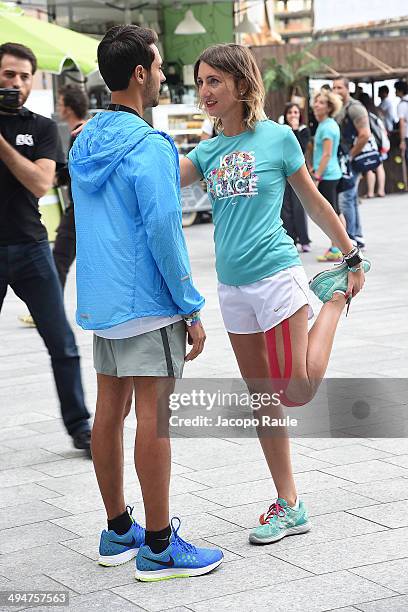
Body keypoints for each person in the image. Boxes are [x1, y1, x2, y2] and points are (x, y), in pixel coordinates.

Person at [180, 44, 369, 547]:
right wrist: (114, 140)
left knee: (297, 391)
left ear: (242, 84)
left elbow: (314, 200)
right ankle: (289, 503)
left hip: (277, 275)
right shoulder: (206, 151)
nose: (205, 92)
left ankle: (333, 300)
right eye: (200, 82)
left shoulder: (279, 138)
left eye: (215, 81)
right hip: (232, 287)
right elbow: (158, 180)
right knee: (265, 399)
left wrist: (349, 254)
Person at [69, 25, 223, 582]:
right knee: (154, 420)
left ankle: (118, 530)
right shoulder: (151, 146)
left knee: (110, 413)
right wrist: (190, 306)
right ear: (139, 73)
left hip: (103, 304)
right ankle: (159, 546)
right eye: (158, 68)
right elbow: (163, 229)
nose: (162, 76)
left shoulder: (82, 141)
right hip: (150, 302)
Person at [0, 42, 91, 453]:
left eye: (23, 76)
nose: (16, 82)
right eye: (8, 74)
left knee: (63, 343)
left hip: (32, 248)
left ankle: (79, 425)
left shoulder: (40, 127)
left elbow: (40, 182)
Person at [53, 85, 88, 289]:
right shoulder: (80, 132)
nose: (58, 107)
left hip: (78, 210)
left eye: (60, 103)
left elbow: (79, 172)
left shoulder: (79, 133)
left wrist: (57, 176)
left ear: (68, 107)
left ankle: (47, 310)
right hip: (81, 209)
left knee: (58, 259)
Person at [333, 76, 373, 249]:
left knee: (345, 198)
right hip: (344, 158)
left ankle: (351, 237)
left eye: (339, 88)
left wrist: (350, 155)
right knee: (350, 197)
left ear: (347, 89)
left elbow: (365, 134)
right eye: (334, 88)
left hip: (351, 159)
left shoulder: (354, 108)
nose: (336, 91)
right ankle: (357, 236)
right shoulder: (339, 108)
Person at [312, 89, 344, 262]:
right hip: (331, 173)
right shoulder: (325, 125)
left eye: (322, 102)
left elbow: (326, 154)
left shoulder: (328, 127)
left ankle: (336, 248)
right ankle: (337, 246)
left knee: (331, 212)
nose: (317, 105)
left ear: (330, 107)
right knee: (336, 211)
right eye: (316, 101)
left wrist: (317, 175)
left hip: (328, 175)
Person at [281, 102, 311, 252]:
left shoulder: (304, 131)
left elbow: (300, 149)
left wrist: (295, 130)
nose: (293, 115)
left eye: (296, 112)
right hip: (283, 174)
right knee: (285, 208)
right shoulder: (282, 132)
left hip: (299, 175)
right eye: (290, 113)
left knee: (299, 207)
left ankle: (304, 240)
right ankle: (291, 240)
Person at [359, 92, 387, 198]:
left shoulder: (363, 113)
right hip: (379, 142)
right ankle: (381, 190)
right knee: (379, 166)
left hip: (369, 143)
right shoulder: (375, 111)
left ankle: (370, 192)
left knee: (369, 167)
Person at [395, 80, 408, 164]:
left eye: (396, 90)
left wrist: (402, 140)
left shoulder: (402, 105)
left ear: (400, 91)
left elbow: (402, 123)